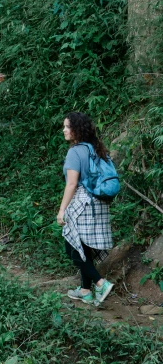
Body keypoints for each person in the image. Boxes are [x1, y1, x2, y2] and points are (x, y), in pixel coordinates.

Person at [58, 111, 114, 305]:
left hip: (82, 203)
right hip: (100, 203)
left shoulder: (75, 151)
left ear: (76, 130)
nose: (64, 130)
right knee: (84, 248)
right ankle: (85, 290)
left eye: (67, 126)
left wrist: (62, 210)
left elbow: (72, 184)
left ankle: (100, 283)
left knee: (72, 249)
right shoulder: (96, 148)